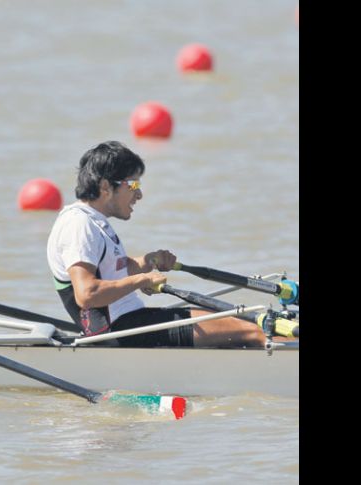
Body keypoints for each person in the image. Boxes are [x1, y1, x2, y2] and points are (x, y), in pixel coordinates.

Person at [46, 141, 266, 348]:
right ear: (105, 186)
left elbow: (112, 272)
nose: (139, 194)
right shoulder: (78, 224)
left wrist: (149, 261)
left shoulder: (93, 222)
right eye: (133, 184)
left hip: (132, 323)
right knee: (253, 330)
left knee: (243, 324)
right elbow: (87, 294)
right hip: (120, 331)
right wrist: (142, 280)